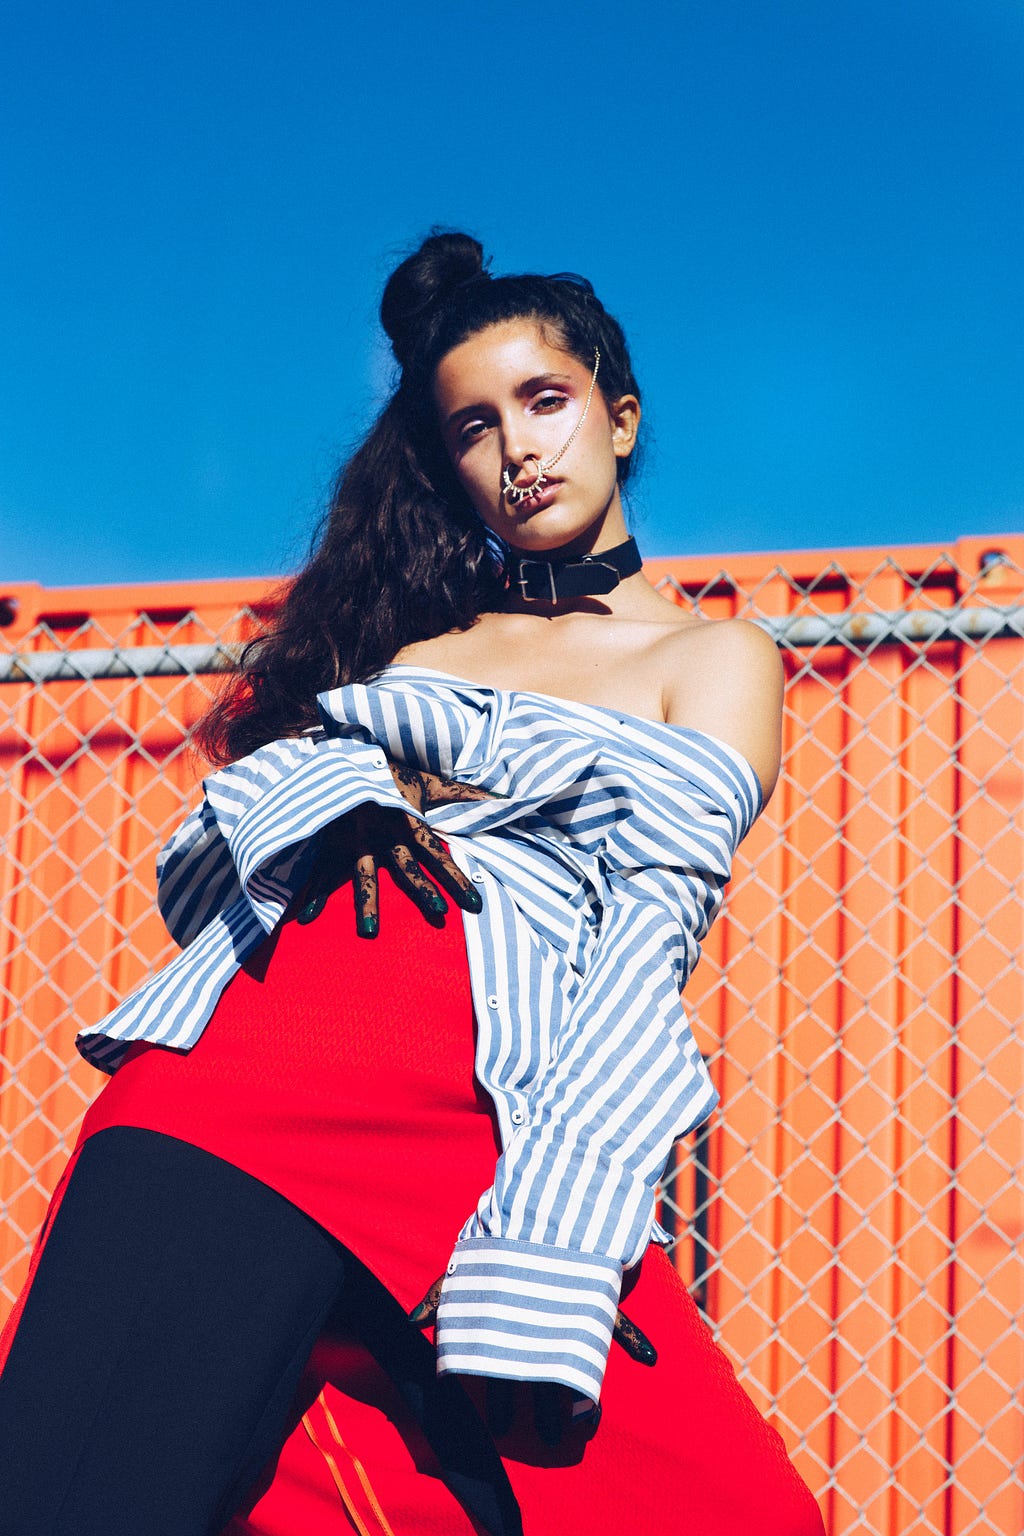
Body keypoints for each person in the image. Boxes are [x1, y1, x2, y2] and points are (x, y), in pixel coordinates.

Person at [0, 231, 825, 1536]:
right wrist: (344, 799)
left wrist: (559, 1222)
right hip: (249, 1088)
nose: (518, 450)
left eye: (545, 402)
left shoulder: (713, 658)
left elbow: (645, 944)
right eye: (473, 428)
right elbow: (209, 867)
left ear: (620, 417)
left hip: (490, 1127)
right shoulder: (415, 650)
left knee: (736, 1512)